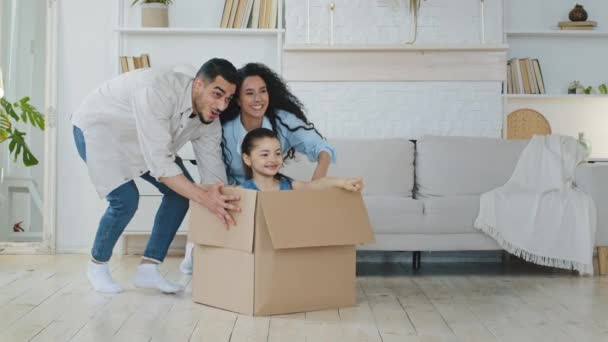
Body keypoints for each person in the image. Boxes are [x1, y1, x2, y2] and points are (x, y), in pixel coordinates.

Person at [72, 58, 240, 294]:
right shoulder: (157, 91)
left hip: (146, 140)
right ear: (199, 85)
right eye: (217, 94)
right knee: (125, 200)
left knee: (179, 195)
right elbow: (161, 165)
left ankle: (148, 269)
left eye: (228, 98)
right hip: (100, 130)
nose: (222, 106)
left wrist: (223, 201)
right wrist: (204, 198)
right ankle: (96, 265)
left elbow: (213, 174)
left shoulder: (209, 120)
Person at [180, 62, 336, 273]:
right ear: (237, 99)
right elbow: (215, 174)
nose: (258, 99)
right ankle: (196, 251)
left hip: (270, 190)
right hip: (234, 190)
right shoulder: (222, 128)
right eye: (250, 93)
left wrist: (319, 180)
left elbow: (321, 148)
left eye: (263, 92)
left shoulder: (282, 120)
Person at [240, 128, 362, 192]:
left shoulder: (288, 185)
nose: (273, 159)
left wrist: (342, 183)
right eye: (265, 154)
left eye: (277, 153)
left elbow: (315, 186)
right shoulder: (243, 191)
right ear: (247, 159)